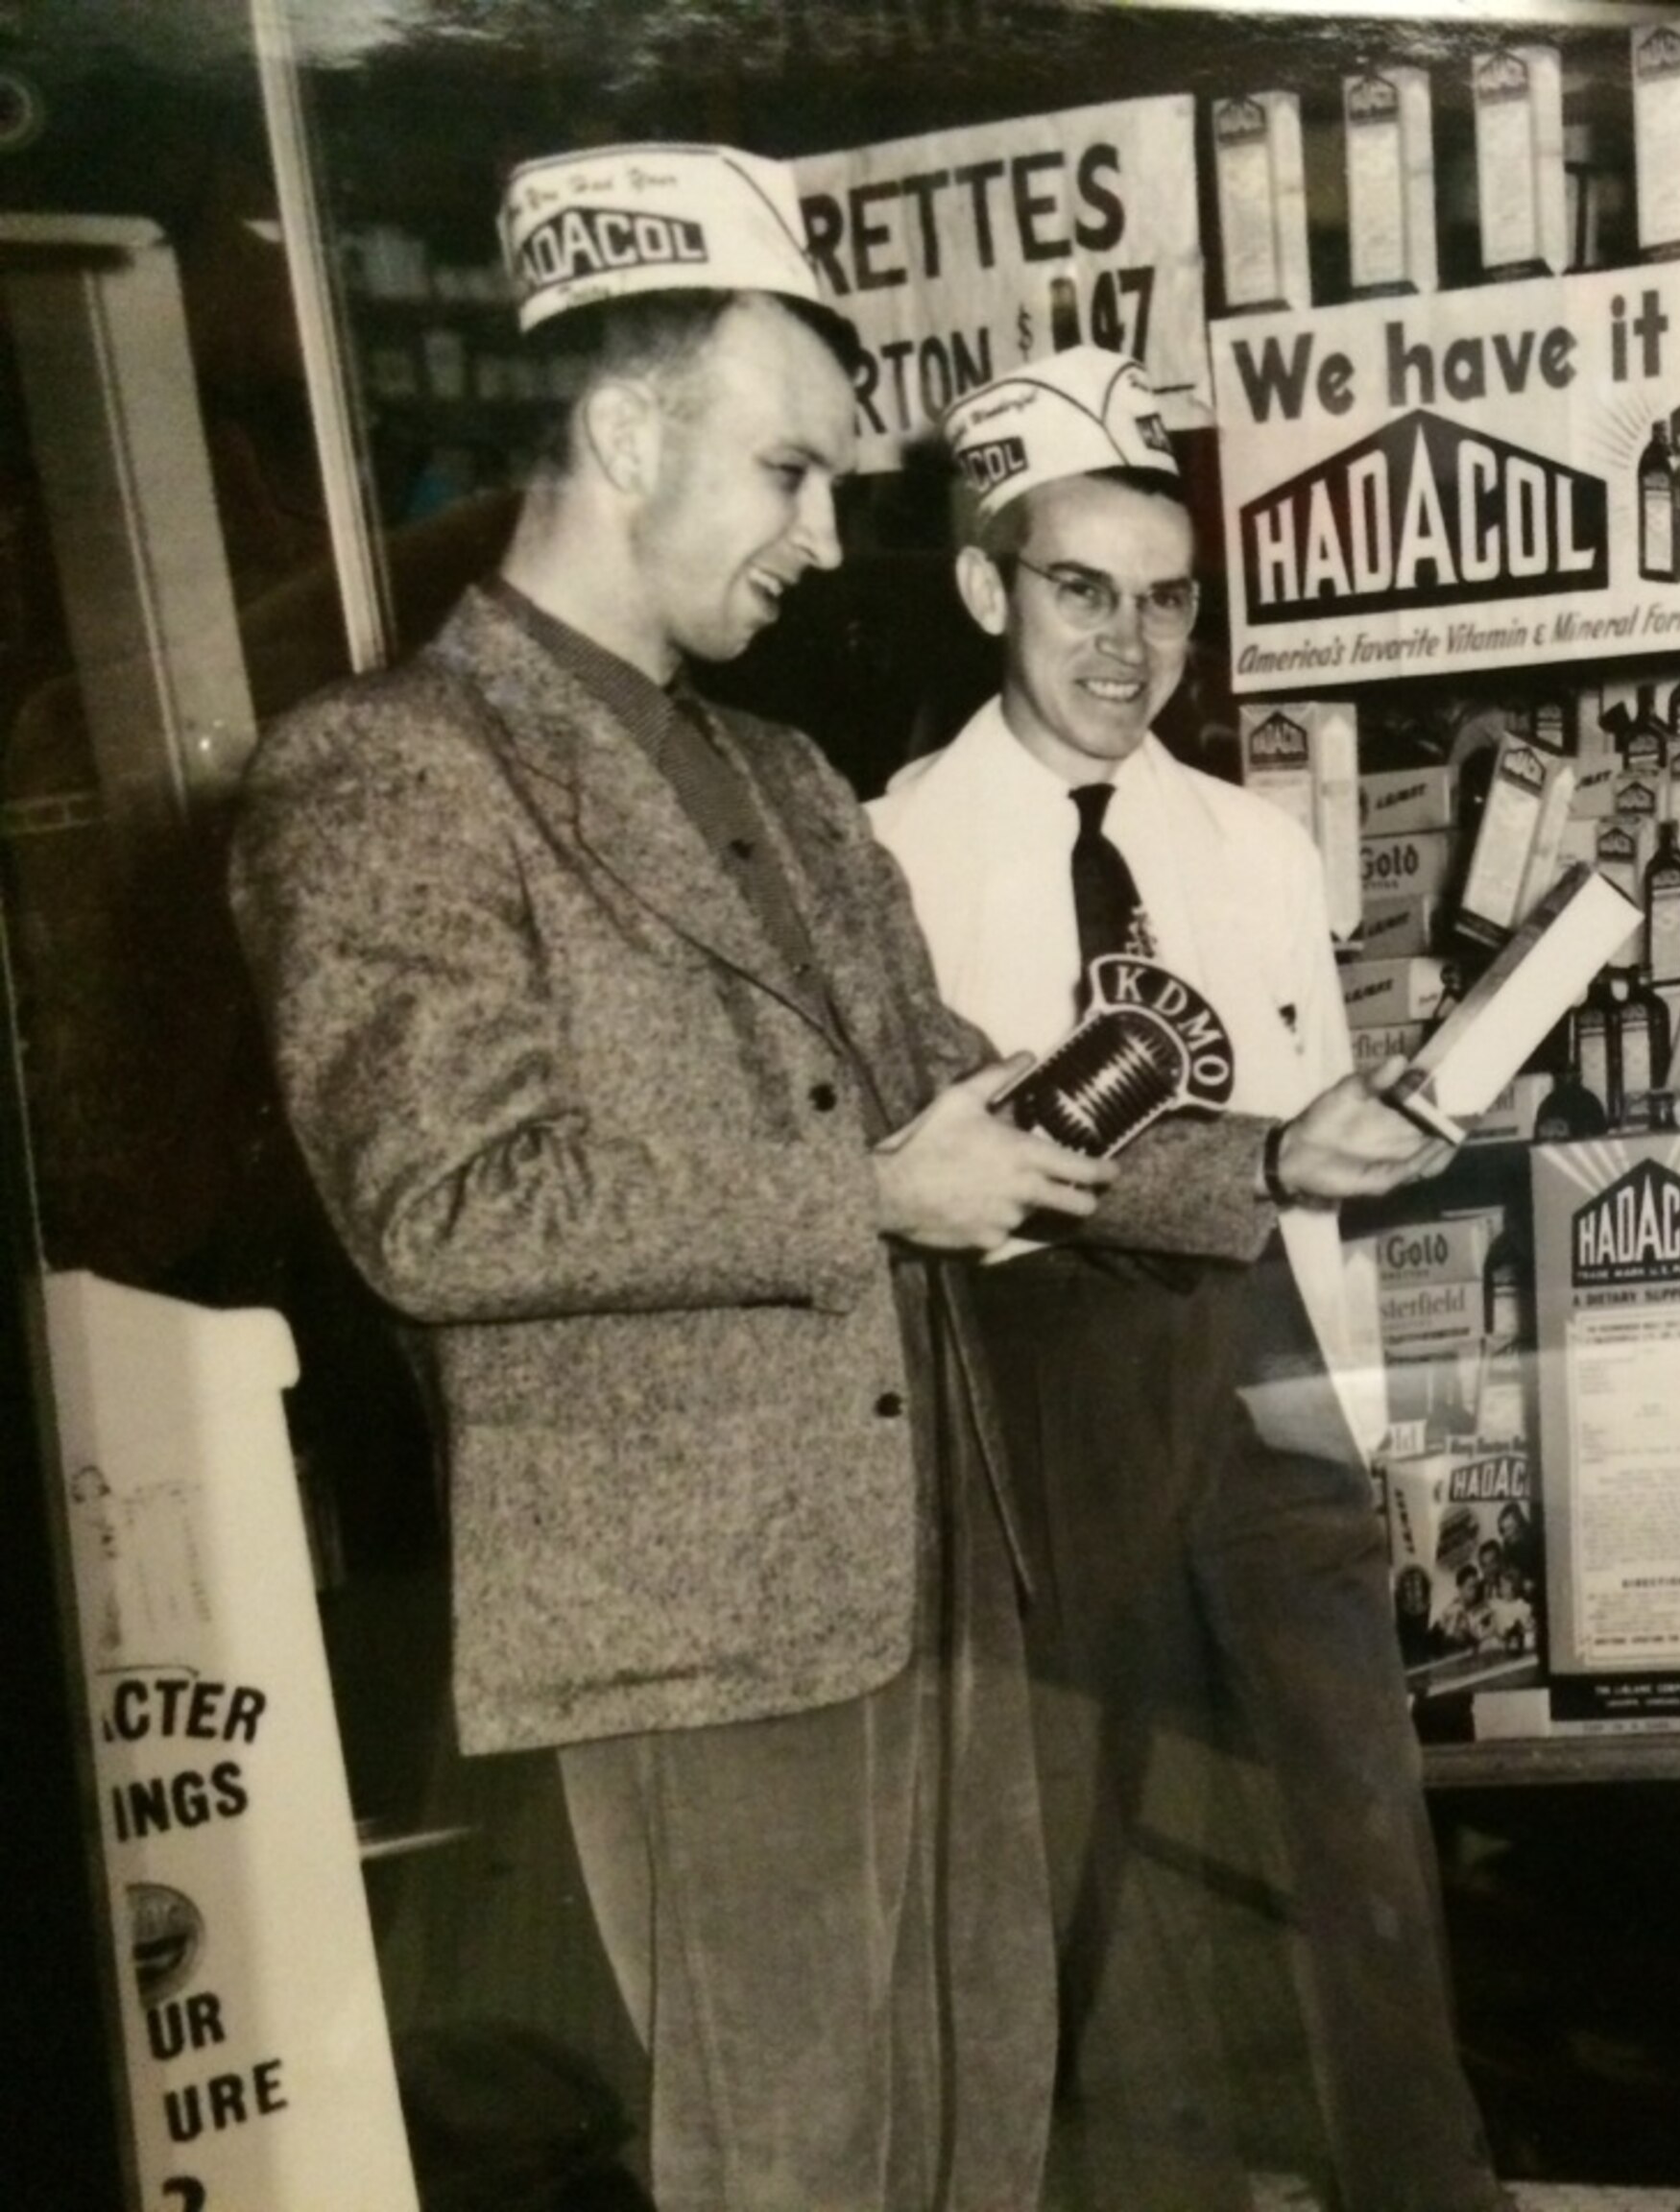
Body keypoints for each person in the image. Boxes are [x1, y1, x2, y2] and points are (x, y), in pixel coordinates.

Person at [227, 144, 1144, 2210]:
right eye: (792, 473)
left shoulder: (782, 774)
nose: (827, 540)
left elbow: (947, 1093)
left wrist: (1271, 1155)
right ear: (630, 432)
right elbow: (442, 1204)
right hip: (702, 1616)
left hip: (929, 1569)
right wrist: (867, 1206)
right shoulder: (387, 771)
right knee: (798, 2160)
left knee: (978, 2121)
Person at [869, 348, 1501, 2212]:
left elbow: (1304, 1155)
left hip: (1257, 1348)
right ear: (988, 588)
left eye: (1163, 598)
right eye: (1078, 589)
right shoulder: (880, 851)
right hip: (1032, 1363)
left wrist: (1373, 1136)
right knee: (1098, 1839)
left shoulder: (1248, 840)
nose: (1127, 644)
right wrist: (1275, 1157)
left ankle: (1428, 2189)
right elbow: (963, 1170)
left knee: (1354, 1799)